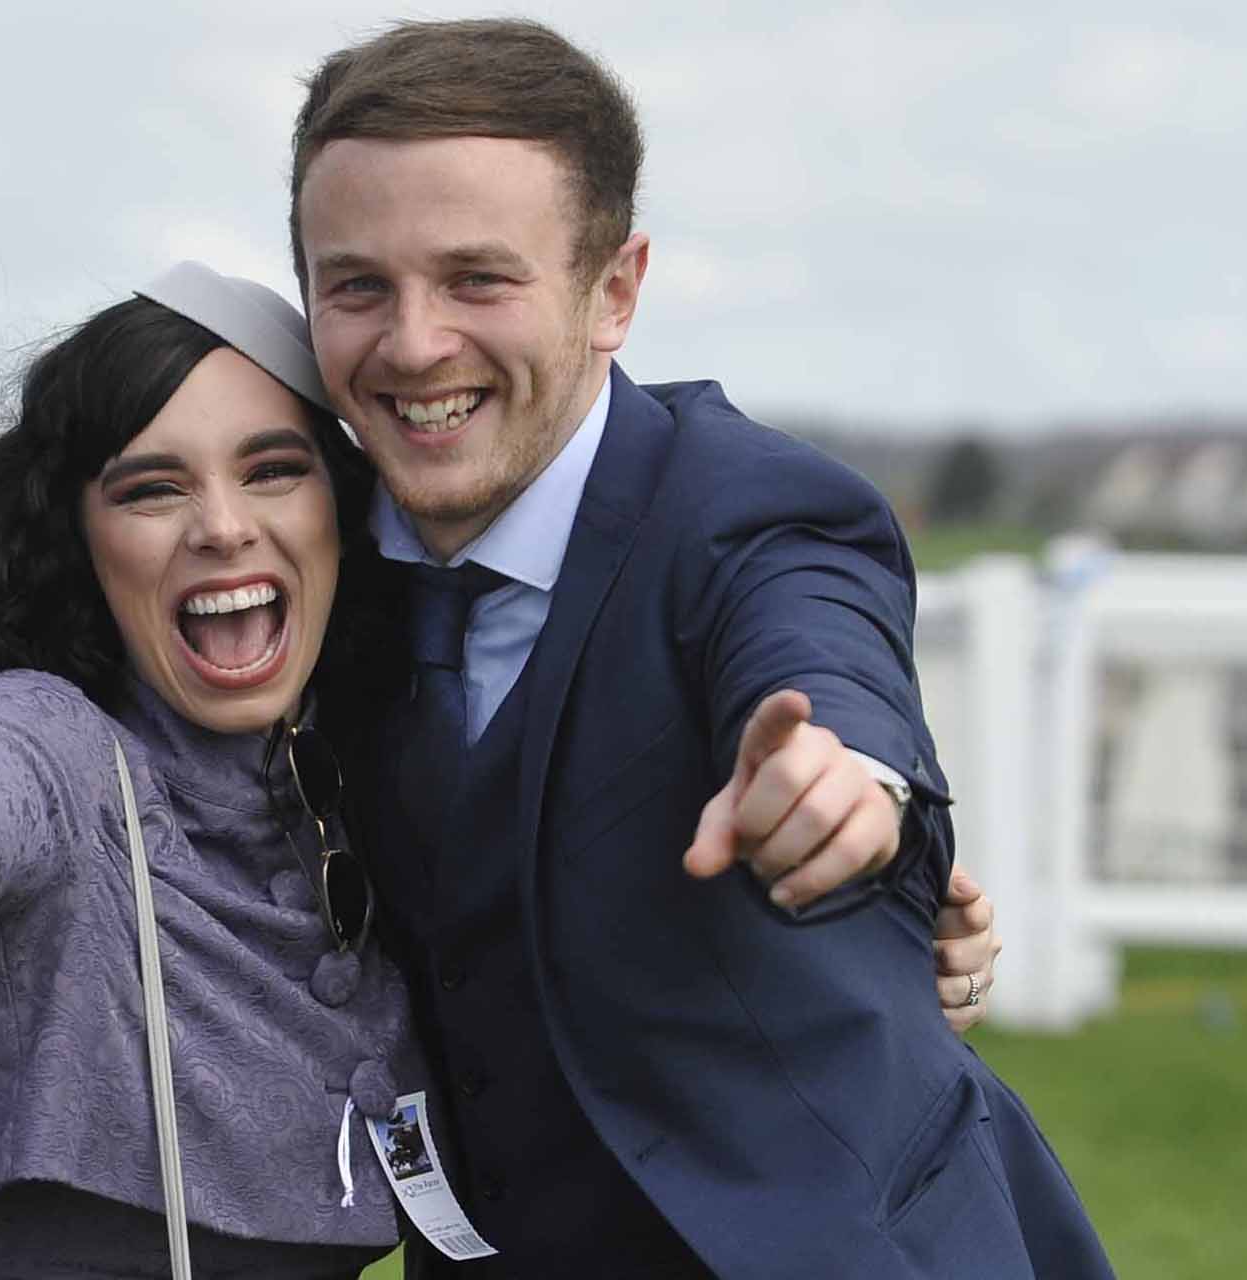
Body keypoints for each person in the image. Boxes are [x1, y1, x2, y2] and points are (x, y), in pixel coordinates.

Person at [0, 265, 1005, 1278]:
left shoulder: (354, 782)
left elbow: (563, 940)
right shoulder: (60, 740)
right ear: (76, 542)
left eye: (274, 471)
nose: (223, 527)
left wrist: (852, 928)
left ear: (345, 520)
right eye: (152, 487)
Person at [288, 18, 1113, 1279]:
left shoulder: (754, 508)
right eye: (357, 286)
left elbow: (822, 658)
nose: (412, 342)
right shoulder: (304, 558)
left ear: (614, 290)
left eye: (478, 279)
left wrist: (852, 789)